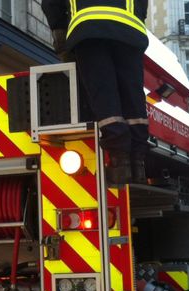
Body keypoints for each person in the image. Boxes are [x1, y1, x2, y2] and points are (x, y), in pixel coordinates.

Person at [41, 0, 150, 185]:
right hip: (130, 29)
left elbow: (51, 3)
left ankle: (119, 160)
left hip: (88, 28)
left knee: (104, 93)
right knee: (132, 95)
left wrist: (59, 31)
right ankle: (137, 162)